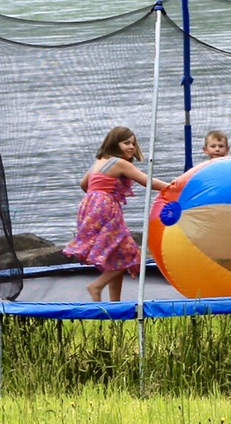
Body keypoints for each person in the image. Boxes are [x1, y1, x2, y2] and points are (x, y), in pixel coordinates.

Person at [67, 126, 170, 301]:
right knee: (129, 254)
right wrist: (174, 187)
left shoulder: (100, 161)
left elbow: (83, 184)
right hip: (105, 208)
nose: (131, 147)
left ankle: (115, 304)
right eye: (126, 143)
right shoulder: (119, 163)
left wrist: (96, 195)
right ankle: (96, 286)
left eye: (133, 143)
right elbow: (148, 181)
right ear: (114, 143)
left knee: (116, 257)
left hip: (89, 207)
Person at [154, 129, 231, 209]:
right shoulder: (202, 169)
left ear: (227, 150)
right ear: (205, 150)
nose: (217, 149)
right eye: (213, 146)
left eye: (221, 146)